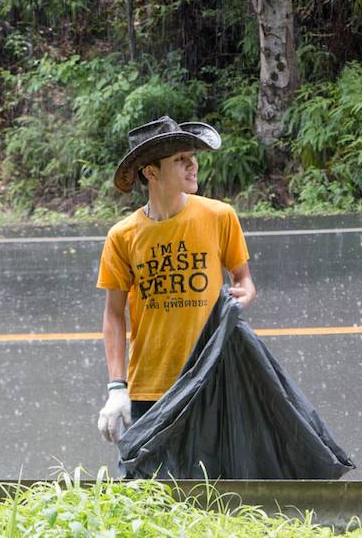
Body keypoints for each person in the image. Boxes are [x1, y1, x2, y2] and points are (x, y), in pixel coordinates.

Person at [96, 115, 256, 443]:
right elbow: (114, 314)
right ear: (151, 172)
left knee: (214, 485)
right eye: (179, 159)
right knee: (150, 488)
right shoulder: (122, 236)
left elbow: (244, 278)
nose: (192, 165)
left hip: (211, 377)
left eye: (192, 156)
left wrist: (245, 293)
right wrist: (116, 388)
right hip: (150, 387)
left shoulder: (219, 216)